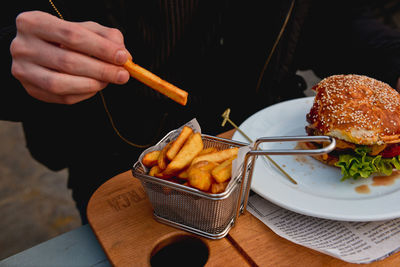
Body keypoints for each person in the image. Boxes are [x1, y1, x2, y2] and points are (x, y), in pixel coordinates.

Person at [1, 0, 400, 224]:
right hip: (134, 174)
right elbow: (14, 33)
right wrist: (15, 63)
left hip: (279, 157)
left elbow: (339, 18)